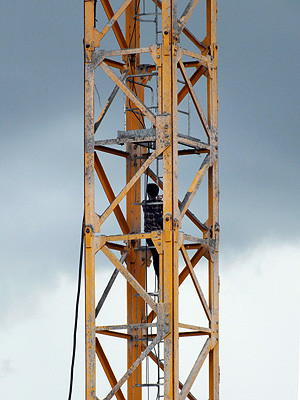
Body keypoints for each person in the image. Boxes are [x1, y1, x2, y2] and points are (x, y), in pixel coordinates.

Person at [142, 183, 163, 281]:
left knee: (155, 255)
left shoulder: (144, 204)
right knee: (161, 255)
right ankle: (162, 276)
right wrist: (159, 198)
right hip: (159, 234)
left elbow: (149, 200)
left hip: (149, 235)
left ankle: (158, 275)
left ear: (147, 194)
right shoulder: (161, 204)